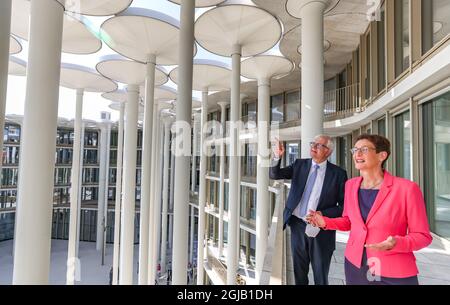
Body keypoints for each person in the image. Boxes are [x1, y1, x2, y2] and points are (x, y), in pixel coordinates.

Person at [307, 134, 432, 285]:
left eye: (364, 149)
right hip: (356, 266)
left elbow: (423, 236)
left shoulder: (407, 189)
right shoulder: (351, 185)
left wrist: (397, 243)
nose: (357, 154)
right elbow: (348, 222)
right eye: (355, 150)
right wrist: (325, 222)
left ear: (382, 155)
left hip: (393, 270)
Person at [270, 135, 347, 285]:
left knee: (320, 275)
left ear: (328, 151)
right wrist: (276, 157)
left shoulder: (338, 174)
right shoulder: (300, 165)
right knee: (299, 273)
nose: (314, 147)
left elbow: (343, 207)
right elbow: (274, 174)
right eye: (313, 143)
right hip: (297, 226)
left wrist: (323, 215)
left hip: (322, 230)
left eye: (319, 145)